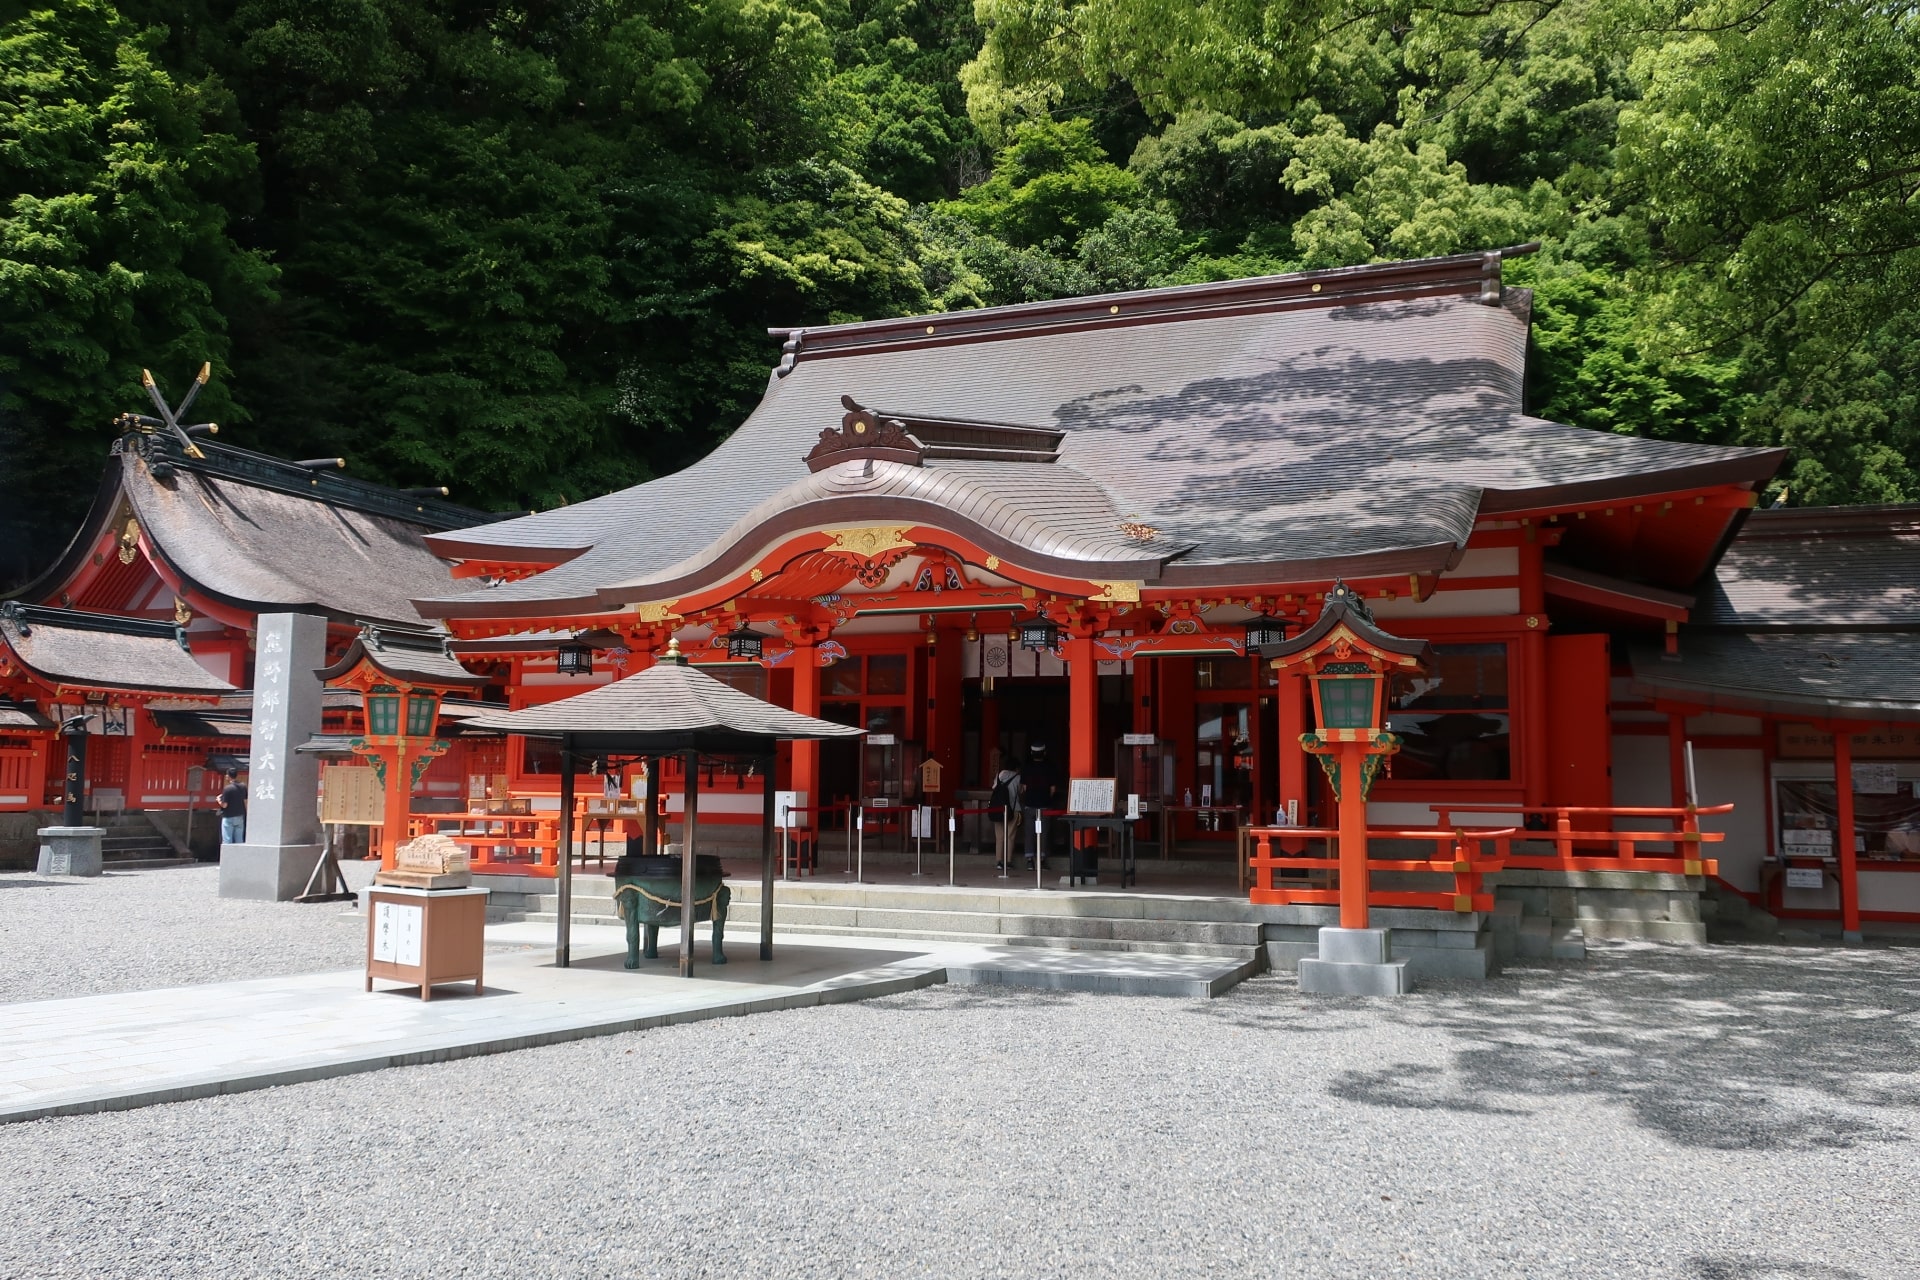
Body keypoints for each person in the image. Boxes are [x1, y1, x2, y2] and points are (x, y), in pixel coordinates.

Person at [1020, 743, 1059, 870]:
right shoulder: (1050, 768)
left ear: (1031, 754)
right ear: (1044, 753)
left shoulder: (1026, 768)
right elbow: (1053, 789)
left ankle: (1030, 860)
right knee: (1043, 833)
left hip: (1030, 804)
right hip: (1045, 804)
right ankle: (1041, 860)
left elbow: (1024, 788)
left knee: (1029, 833)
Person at [988, 756, 1024, 871]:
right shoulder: (1018, 777)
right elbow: (1021, 791)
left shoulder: (1000, 774)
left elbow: (994, 787)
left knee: (999, 836)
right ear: (1017, 768)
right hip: (1013, 809)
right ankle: (1008, 861)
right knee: (1010, 836)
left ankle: (999, 861)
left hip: (998, 809)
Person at [218, 769, 247, 845]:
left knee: (227, 839)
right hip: (240, 815)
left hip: (228, 816)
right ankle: (239, 855)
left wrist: (218, 800)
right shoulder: (243, 786)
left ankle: (227, 856)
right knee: (239, 839)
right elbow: (245, 801)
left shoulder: (227, 788)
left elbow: (224, 805)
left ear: (228, 776)